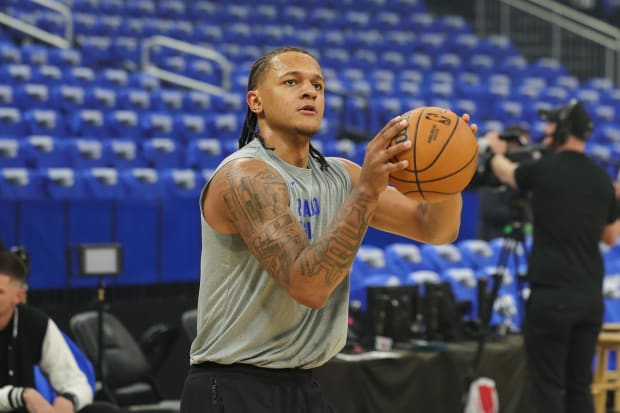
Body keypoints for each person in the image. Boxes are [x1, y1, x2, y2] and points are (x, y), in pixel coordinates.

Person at [180, 46, 477, 413]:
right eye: (292, 82)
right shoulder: (245, 177)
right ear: (255, 101)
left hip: (302, 382)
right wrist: (367, 191)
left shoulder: (339, 175)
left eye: (318, 85)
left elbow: (433, 229)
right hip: (233, 386)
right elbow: (309, 286)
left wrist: (449, 175)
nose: (309, 91)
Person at [488, 99, 620, 413]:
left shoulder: (545, 168)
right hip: (589, 297)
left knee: (547, 387)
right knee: (579, 387)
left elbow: (508, 174)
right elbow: (610, 236)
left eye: (550, 128)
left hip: (552, 296)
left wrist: (494, 152)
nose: (545, 134)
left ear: (562, 130)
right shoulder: (601, 178)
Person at [0, 251, 118, 413]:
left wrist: (69, 399)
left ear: (19, 296)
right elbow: (22, 397)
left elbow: (76, 381)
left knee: (103, 410)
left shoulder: (35, 323)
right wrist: (21, 395)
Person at [476, 124, 532, 241]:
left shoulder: (526, 172)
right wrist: (527, 215)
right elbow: (490, 212)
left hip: (521, 238)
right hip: (494, 240)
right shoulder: (493, 169)